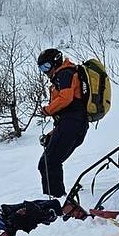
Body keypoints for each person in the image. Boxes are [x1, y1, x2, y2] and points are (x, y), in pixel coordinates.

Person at [37, 48, 88, 198]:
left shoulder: (65, 73)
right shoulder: (63, 75)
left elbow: (66, 98)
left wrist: (48, 110)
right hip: (72, 124)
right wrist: (52, 134)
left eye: (46, 67)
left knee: (49, 162)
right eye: (41, 68)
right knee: (48, 162)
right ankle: (54, 198)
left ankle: (56, 200)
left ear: (55, 62)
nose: (45, 72)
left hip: (72, 124)